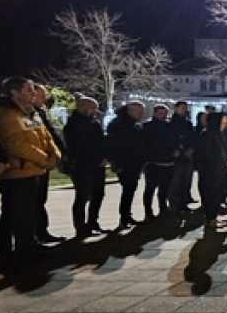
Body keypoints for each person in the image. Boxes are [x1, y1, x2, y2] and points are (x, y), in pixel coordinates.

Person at [0, 78, 60, 273]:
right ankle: (6, 256)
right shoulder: (6, 114)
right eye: (29, 89)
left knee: (28, 214)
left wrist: (54, 155)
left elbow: (46, 137)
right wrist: (44, 159)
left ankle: (28, 250)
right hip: (17, 174)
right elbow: (15, 143)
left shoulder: (33, 113)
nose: (34, 93)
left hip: (34, 171)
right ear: (15, 93)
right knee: (12, 215)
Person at [63, 96, 109, 238]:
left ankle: (93, 222)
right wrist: (96, 158)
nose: (95, 111)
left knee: (98, 194)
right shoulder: (73, 125)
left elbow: (100, 141)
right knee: (83, 196)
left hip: (97, 165)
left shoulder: (93, 122)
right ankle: (81, 227)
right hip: (83, 166)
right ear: (83, 108)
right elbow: (78, 147)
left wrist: (104, 156)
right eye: (92, 108)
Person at [30, 85, 66, 243]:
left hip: (43, 164)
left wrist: (57, 154)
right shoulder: (25, 114)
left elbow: (49, 136)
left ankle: (40, 233)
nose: (44, 100)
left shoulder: (39, 113)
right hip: (33, 165)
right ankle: (32, 237)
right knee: (31, 203)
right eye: (41, 96)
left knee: (39, 201)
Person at [106, 101, 145, 229]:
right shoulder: (119, 125)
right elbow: (114, 146)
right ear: (130, 111)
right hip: (125, 163)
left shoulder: (135, 125)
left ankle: (127, 215)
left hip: (134, 163)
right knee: (127, 190)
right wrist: (117, 163)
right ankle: (124, 216)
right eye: (138, 112)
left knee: (130, 190)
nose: (141, 114)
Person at [195, 112, 227, 227]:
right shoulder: (208, 134)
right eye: (223, 122)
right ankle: (211, 219)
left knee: (216, 194)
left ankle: (213, 217)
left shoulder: (218, 133)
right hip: (211, 172)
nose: (225, 124)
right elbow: (207, 155)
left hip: (217, 171)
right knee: (211, 195)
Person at [141, 104, 175, 220]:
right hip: (153, 162)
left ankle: (163, 208)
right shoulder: (147, 126)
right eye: (160, 113)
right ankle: (148, 211)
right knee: (150, 187)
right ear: (155, 113)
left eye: (165, 113)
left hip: (168, 161)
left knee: (164, 187)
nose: (163, 116)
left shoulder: (169, 126)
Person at [167, 101, 196, 210]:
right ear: (176, 108)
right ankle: (174, 203)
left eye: (185, 108)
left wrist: (191, 148)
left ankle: (183, 201)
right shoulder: (170, 123)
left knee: (186, 179)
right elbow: (169, 139)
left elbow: (192, 137)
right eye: (182, 108)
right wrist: (175, 149)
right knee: (175, 180)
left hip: (187, 155)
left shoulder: (187, 123)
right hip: (176, 156)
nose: (184, 110)